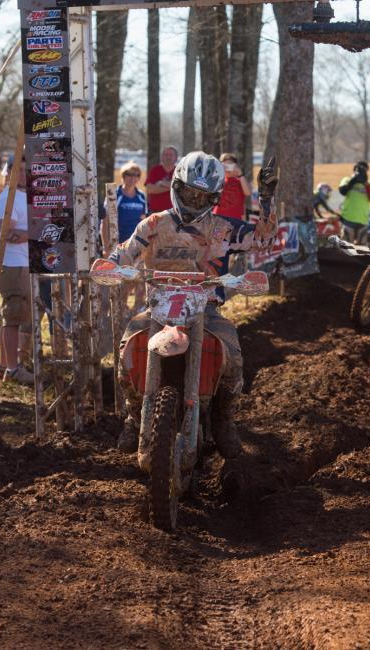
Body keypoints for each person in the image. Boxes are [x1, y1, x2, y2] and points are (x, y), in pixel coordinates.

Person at [108, 151, 279, 468]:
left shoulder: (222, 228)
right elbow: (127, 250)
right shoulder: (154, 224)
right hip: (159, 307)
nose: (194, 199)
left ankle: (224, 419)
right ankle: (133, 417)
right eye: (189, 192)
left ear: (214, 197)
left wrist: (266, 198)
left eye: (202, 196)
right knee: (126, 348)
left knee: (233, 354)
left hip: (207, 309)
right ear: (177, 187)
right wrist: (110, 264)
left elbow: (263, 240)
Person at [0, 158, 34, 386]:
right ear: (8, 172)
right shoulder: (6, 198)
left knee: (13, 316)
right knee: (13, 316)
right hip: (12, 263)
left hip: (26, 262)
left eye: (25, 170)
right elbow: (6, 233)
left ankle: (2, 365)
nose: (22, 174)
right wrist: (33, 232)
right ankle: (13, 369)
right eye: (17, 170)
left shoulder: (27, 195)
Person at [338, 161, 370, 241]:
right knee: (346, 248)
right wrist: (353, 181)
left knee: (362, 250)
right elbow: (343, 191)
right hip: (347, 219)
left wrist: (365, 183)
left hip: (363, 221)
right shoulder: (347, 180)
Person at [113, 160, 147, 243]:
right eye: (130, 174)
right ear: (123, 176)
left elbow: (143, 220)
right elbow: (106, 221)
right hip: (117, 242)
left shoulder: (141, 196)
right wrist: (106, 245)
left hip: (135, 243)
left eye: (136, 175)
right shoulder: (114, 195)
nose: (133, 178)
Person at [213, 153, 252, 220]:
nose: (227, 168)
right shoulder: (218, 180)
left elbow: (248, 193)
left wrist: (240, 175)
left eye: (230, 165)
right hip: (218, 218)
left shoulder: (241, 181)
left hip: (235, 220)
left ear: (235, 166)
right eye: (225, 165)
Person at [144, 145, 178, 214]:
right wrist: (173, 186)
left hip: (175, 213)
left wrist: (162, 183)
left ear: (176, 157)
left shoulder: (180, 171)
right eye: (166, 155)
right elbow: (149, 190)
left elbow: (182, 189)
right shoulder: (155, 170)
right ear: (162, 157)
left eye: (171, 155)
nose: (168, 157)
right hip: (155, 213)